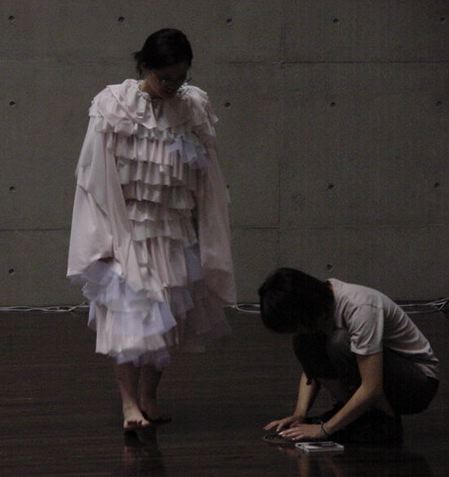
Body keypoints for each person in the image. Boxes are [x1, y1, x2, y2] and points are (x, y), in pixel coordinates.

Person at [67, 29, 236, 432]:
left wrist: (206, 232)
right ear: (145, 67)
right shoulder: (114, 104)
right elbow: (94, 178)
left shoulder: (193, 106)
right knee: (130, 319)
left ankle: (149, 397)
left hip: (174, 232)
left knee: (168, 319)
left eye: (180, 78)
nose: (172, 86)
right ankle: (129, 404)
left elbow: (207, 176)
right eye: (164, 78)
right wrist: (103, 240)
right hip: (129, 230)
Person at [259, 268, 439, 442]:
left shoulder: (360, 307)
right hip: (383, 380)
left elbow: (372, 387)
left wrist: (324, 429)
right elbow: (311, 372)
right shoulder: (321, 304)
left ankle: (385, 422)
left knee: (340, 342)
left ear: (305, 309)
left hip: (417, 385)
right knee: (304, 342)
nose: (298, 329)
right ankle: (357, 416)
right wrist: (299, 415)